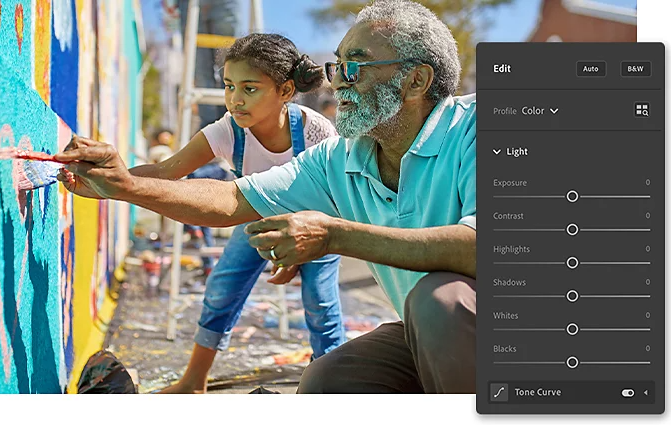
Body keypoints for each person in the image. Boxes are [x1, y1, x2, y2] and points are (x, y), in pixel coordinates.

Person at [56, 0, 476, 394]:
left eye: (356, 68)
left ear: (415, 80)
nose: (339, 83)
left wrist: (332, 237)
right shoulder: (340, 158)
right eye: (338, 66)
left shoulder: (481, 125)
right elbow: (232, 199)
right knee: (328, 379)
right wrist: (126, 186)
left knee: (437, 301)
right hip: (424, 331)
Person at [103, 33, 346, 394]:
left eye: (250, 88)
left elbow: (333, 198)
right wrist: (107, 179)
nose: (235, 99)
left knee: (320, 302)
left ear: (285, 90)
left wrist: (294, 255)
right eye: (230, 86)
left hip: (317, 222)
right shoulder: (228, 131)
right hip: (256, 217)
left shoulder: (316, 132)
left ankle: (331, 391)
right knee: (221, 289)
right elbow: (167, 171)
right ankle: (193, 382)